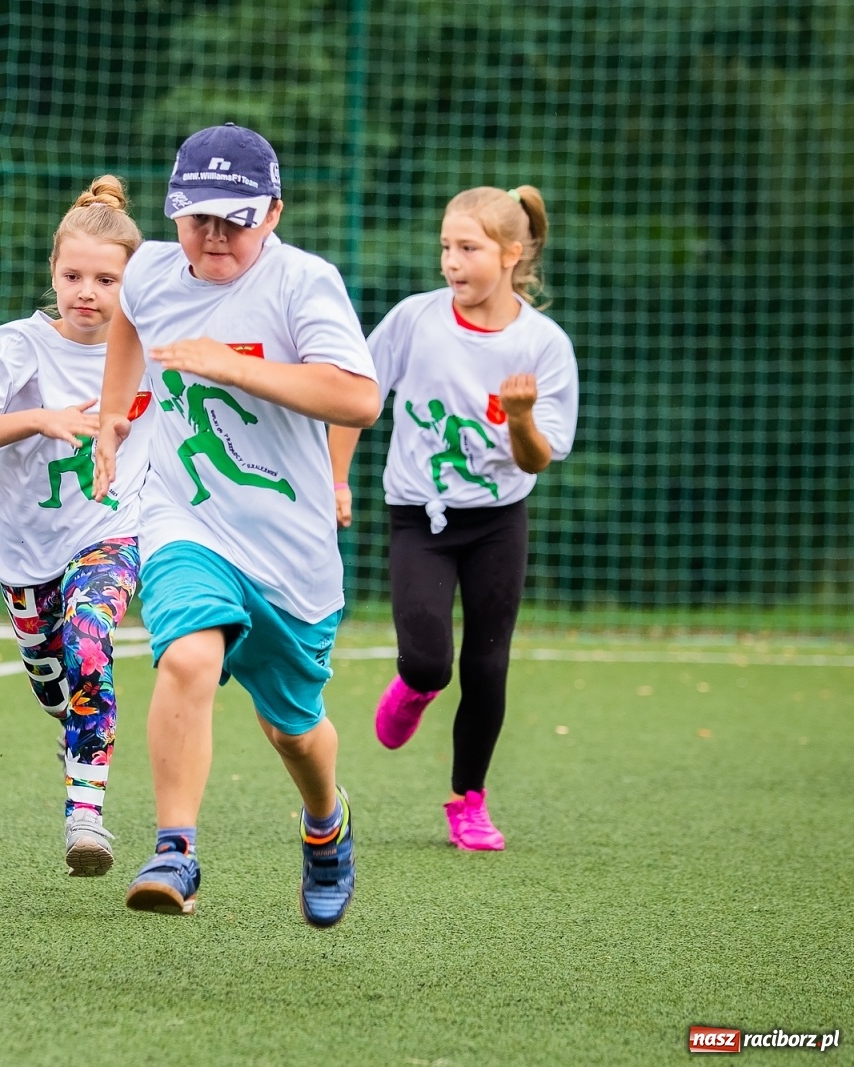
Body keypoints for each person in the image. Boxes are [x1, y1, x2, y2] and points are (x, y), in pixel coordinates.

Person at [91, 124, 380, 925]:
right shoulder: (150, 267)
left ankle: (326, 824)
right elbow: (129, 324)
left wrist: (234, 363)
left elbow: (358, 397)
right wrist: (116, 414)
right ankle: (174, 849)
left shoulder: (303, 285)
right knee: (186, 654)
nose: (214, 236)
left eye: (236, 219)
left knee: (296, 733)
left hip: (291, 549)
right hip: (184, 512)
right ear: (172, 212)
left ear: (274, 212)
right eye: (197, 218)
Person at [329, 185, 578, 851]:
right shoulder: (415, 320)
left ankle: (469, 800)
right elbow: (358, 397)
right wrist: (335, 477)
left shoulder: (544, 345)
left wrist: (521, 417)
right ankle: (415, 684)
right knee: (431, 659)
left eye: (467, 248)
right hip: (419, 517)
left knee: (488, 666)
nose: (452, 260)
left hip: (498, 520)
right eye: (446, 246)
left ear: (511, 254)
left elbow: (536, 459)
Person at [0, 176, 146, 876]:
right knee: (52, 679)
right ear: (52, 273)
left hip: (111, 532)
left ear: (132, 284)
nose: (86, 291)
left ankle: (85, 816)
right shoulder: (14, 348)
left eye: (105, 279)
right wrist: (40, 418)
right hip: (22, 545)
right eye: (72, 275)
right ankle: (74, 723)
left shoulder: (153, 347)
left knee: (91, 639)